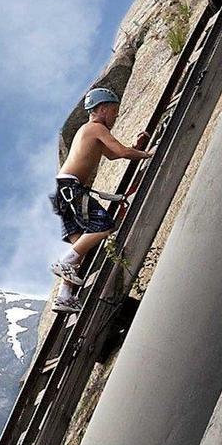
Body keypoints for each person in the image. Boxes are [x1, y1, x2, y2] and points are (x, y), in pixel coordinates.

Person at [50, 85, 153, 311]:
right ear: (103, 109)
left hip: (64, 192)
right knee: (103, 225)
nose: (116, 115)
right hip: (72, 188)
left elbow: (115, 154)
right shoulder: (95, 127)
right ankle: (64, 261)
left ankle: (64, 295)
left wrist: (135, 147)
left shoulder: (88, 132)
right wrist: (149, 153)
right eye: (115, 110)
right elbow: (123, 153)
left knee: (81, 248)